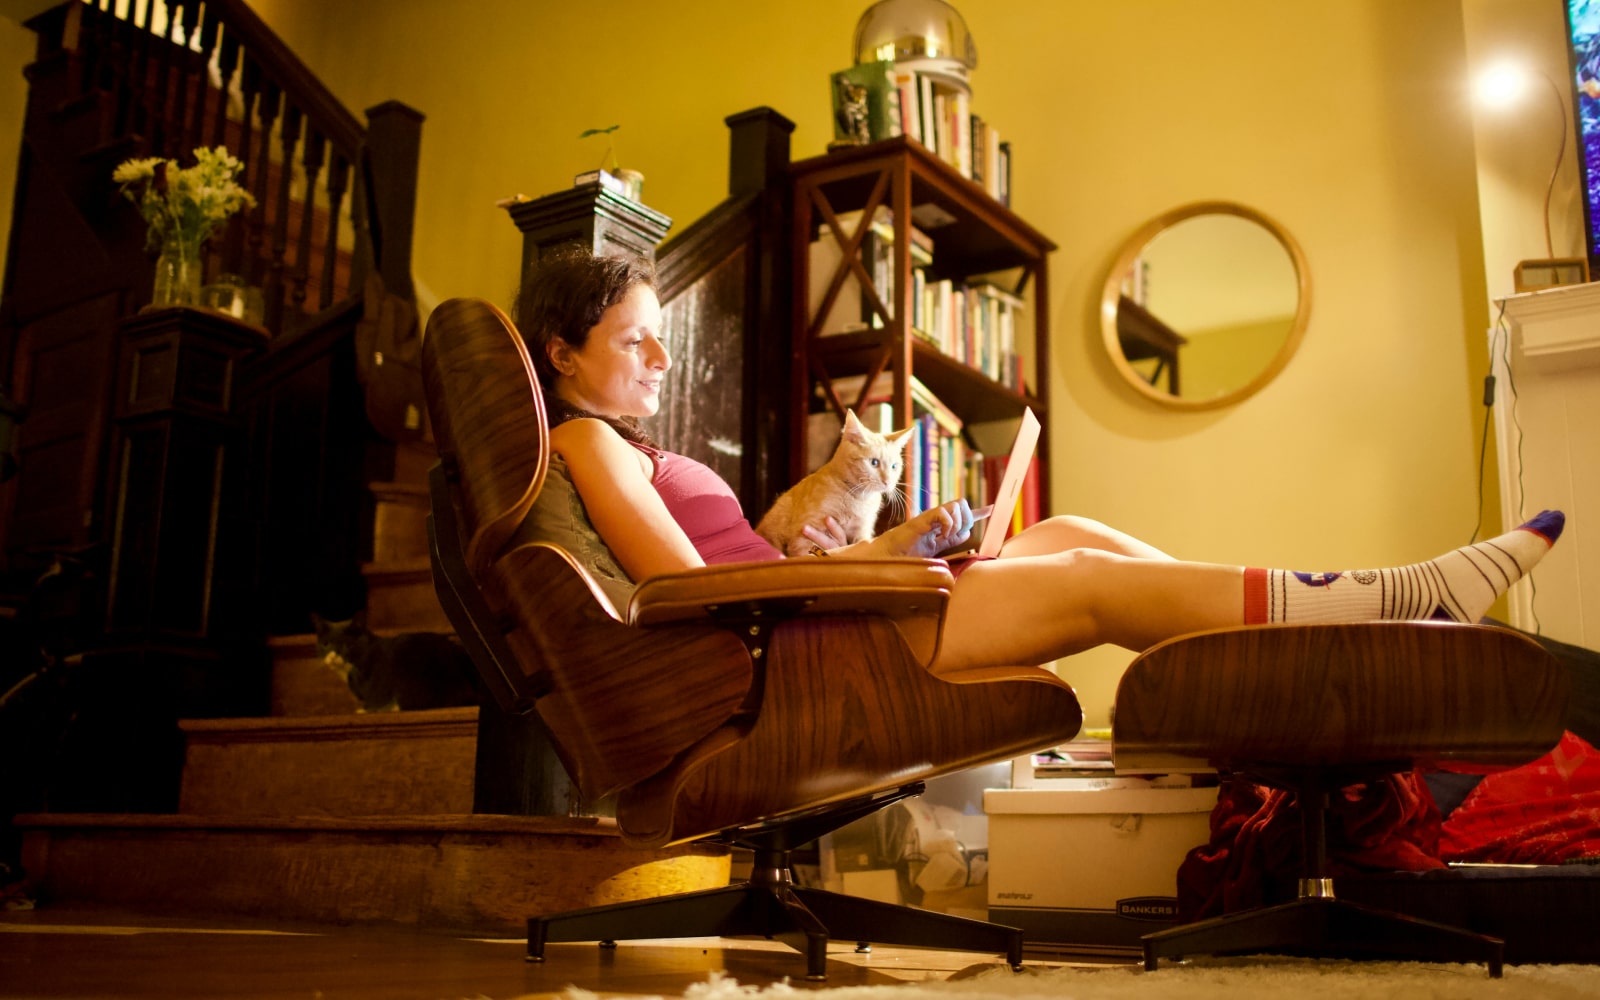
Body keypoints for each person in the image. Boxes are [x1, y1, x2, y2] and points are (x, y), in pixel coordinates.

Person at [514, 249, 1565, 672]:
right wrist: (878, 574)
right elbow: (689, 592)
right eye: (632, 339)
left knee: (1061, 532)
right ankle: (1390, 601)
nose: (659, 356)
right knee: (1087, 578)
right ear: (562, 353)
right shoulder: (583, 440)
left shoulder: (636, 445)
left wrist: (895, 545)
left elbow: (745, 567)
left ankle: (1313, 641)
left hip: (817, 618)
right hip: (792, 658)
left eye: (662, 334)